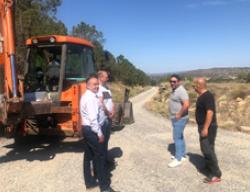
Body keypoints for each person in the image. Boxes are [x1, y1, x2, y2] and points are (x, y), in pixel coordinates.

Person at [80, 75, 117, 192]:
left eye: (97, 84)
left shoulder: (90, 95)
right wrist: (100, 134)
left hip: (87, 129)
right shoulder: (90, 98)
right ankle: (105, 187)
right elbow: (93, 119)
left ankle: (89, 182)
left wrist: (100, 103)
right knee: (100, 157)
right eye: (93, 84)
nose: (96, 86)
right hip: (92, 130)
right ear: (87, 85)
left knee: (88, 155)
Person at [193, 77, 222, 184]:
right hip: (204, 126)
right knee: (208, 149)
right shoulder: (202, 96)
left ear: (199, 85)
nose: (193, 87)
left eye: (194, 85)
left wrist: (205, 128)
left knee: (207, 150)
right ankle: (209, 168)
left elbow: (210, 113)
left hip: (208, 127)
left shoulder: (207, 96)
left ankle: (215, 174)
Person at [168, 74, 189, 168]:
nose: (172, 83)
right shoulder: (175, 90)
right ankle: (182, 155)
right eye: (171, 81)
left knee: (176, 137)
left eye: (174, 81)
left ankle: (178, 159)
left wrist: (179, 114)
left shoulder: (181, 91)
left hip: (180, 118)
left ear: (179, 82)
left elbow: (186, 104)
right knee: (180, 136)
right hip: (175, 117)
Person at [97, 70, 115, 164]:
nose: (108, 78)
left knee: (106, 139)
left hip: (109, 117)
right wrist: (108, 113)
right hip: (103, 118)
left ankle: (105, 158)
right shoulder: (98, 88)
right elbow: (101, 104)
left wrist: (113, 110)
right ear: (100, 77)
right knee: (101, 140)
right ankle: (99, 161)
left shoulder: (106, 88)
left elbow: (110, 101)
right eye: (106, 77)